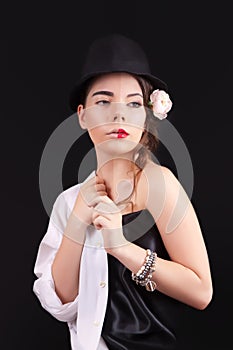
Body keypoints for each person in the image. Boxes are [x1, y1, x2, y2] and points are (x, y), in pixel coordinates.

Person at [33, 33, 213, 350]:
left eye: (132, 103)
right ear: (82, 115)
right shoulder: (69, 202)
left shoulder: (160, 184)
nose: (119, 114)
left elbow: (201, 292)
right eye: (103, 101)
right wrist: (76, 223)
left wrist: (122, 248)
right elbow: (60, 305)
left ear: (145, 115)